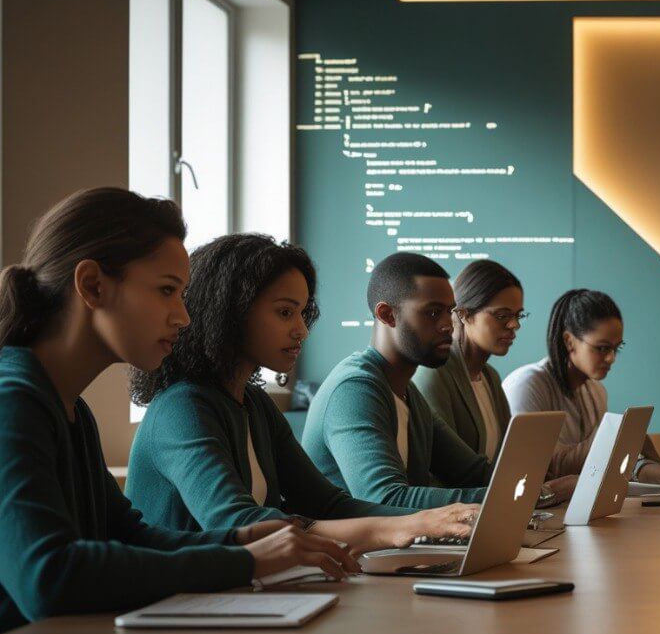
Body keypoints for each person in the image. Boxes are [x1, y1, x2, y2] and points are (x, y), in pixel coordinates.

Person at [0, 189, 355, 634]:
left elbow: (132, 536)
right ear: (92, 285)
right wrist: (244, 562)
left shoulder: (71, 408)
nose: (183, 317)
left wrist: (240, 539)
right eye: (167, 290)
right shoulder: (13, 400)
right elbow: (48, 578)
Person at [126, 235, 477, 554]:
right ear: (230, 313)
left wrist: (436, 519)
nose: (301, 331)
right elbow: (239, 522)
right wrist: (403, 526)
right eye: (284, 312)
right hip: (176, 609)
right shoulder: (182, 407)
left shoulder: (255, 404)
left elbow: (326, 504)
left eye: (301, 313)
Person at [302, 253, 495, 508]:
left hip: (393, 547)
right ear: (387, 315)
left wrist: (541, 487)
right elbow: (386, 499)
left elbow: (473, 473)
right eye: (433, 312)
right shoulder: (354, 389)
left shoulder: (408, 393)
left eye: (450, 312)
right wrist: (515, 496)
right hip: (343, 547)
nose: (448, 325)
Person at [504, 289, 660, 486]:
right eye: (602, 348)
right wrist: (617, 435)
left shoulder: (596, 391)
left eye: (615, 348)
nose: (611, 358)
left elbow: (599, 464)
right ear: (569, 341)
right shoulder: (527, 385)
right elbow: (544, 468)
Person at [416, 259, 521, 460]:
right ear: (464, 315)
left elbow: (505, 459)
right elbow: (444, 466)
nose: (514, 324)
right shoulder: (434, 373)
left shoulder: (490, 376)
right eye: (502, 315)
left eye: (518, 315)